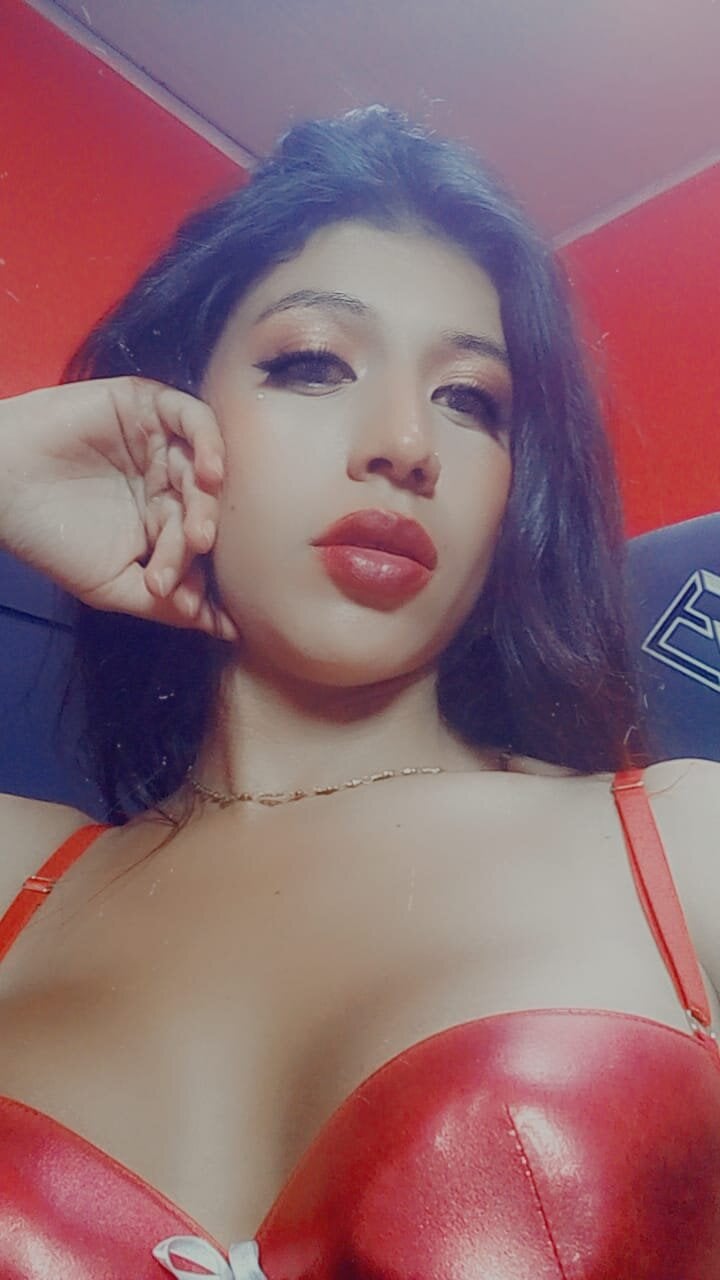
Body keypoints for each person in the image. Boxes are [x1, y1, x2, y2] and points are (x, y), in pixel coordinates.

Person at [1, 105, 719, 1279]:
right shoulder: (18, 878)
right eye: (312, 364)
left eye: (471, 399)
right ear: (172, 414)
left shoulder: (681, 849)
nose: (404, 442)